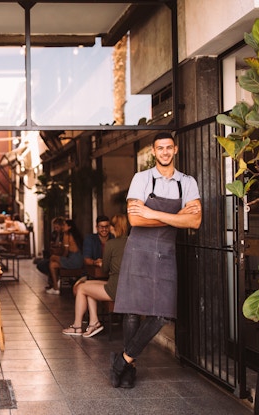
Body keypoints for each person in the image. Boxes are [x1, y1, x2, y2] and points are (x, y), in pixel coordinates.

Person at [110, 132, 201, 389]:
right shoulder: (141, 179)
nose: (164, 152)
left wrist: (152, 212)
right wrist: (175, 217)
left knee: (161, 314)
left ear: (176, 150)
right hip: (139, 249)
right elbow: (135, 220)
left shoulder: (187, 183)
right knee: (132, 312)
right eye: (160, 148)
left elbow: (194, 221)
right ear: (153, 151)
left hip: (166, 253)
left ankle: (124, 359)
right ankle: (130, 370)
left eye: (168, 148)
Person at [63, 214, 129, 337]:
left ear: (113, 227)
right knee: (87, 285)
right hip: (127, 286)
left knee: (82, 288)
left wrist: (103, 262)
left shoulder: (112, 243)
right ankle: (94, 322)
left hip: (115, 288)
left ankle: (77, 326)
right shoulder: (132, 242)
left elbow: (105, 268)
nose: (107, 229)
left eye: (109, 226)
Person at [46, 219, 84, 295]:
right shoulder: (76, 235)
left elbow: (66, 252)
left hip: (73, 260)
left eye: (65, 225)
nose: (63, 227)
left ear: (69, 227)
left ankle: (55, 284)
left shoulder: (67, 235)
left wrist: (61, 259)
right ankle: (56, 286)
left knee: (53, 257)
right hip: (79, 260)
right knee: (52, 265)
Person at [36, 216, 66, 288]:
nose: (55, 229)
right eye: (54, 227)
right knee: (42, 264)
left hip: (60, 256)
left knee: (50, 264)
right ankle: (53, 281)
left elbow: (63, 248)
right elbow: (51, 245)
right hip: (54, 254)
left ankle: (54, 283)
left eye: (57, 227)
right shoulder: (54, 234)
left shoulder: (65, 235)